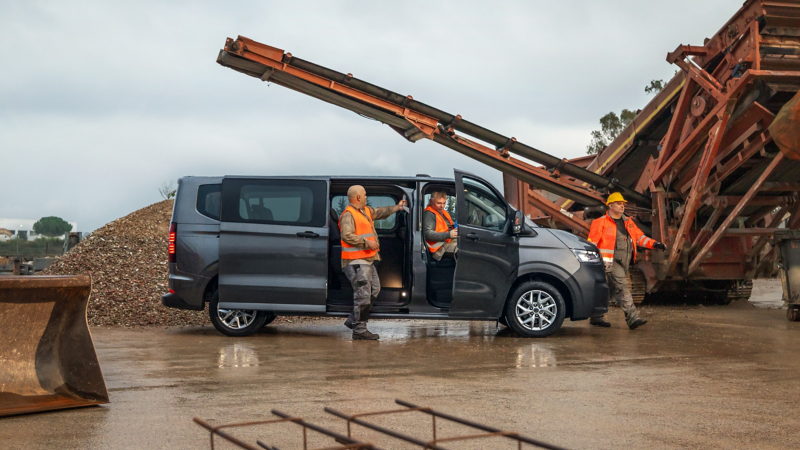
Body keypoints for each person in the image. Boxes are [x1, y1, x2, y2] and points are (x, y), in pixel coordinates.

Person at [587, 192, 667, 330]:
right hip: (609, 263)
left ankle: (596, 317)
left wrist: (655, 244)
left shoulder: (628, 222)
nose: (622, 206)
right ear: (610, 205)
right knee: (622, 287)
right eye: (619, 204)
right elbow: (592, 243)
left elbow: (639, 238)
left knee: (608, 290)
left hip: (624, 262)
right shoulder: (600, 222)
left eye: (623, 204)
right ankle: (632, 318)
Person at [340, 185, 407, 340]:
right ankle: (359, 330)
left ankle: (353, 319)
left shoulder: (365, 211)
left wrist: (397, 207)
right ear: (357, 198)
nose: (366, 197)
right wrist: (367, 243)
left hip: (367, 260)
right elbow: (347, 235)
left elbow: (380, 212)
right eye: (364, 195)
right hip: (355, 262)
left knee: (374, 290)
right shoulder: (348, 215)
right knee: (363, 296)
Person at [423, 191, 458, 260]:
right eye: (438, 203)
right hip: (439, 247)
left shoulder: (443, 213)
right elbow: (427, 234)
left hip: (448, 241)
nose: (442, 206)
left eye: (444, 203)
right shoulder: (429, 214)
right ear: (431, 202)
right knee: (463, 249)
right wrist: (448, 235)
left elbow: (450, 225)